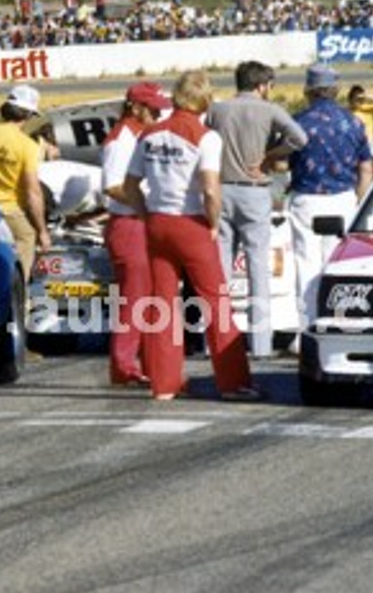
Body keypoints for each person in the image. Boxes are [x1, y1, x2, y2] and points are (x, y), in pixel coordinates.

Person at [120, 71, 257, 402]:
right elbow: (210, 188)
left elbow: (129, 184)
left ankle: (164, 383)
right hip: (191, 221)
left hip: (157, 220)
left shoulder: (150, 134)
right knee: (216, 303)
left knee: (161, 305)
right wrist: (213, 222)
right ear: (206, 100)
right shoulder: (205, 136)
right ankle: (232, 382)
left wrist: (143, 213)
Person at [206, 60, 308, 358]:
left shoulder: (217, 110)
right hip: (254, 191)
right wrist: (269, 154)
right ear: (262, 85)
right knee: (257, 270)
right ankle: (260, 345)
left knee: (221, 271)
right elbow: (300, 138)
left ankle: (219, 342)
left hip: (222, 188)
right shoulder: (269, 110)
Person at [288, 64, 373, 328]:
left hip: (307, 197)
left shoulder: (298, 122)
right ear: (336, 91)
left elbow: (285, 162)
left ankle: (308, 328)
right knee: (336, 264)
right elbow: (365, 167)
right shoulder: (353, 122)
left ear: (308, 91)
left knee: (306, 265)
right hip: (343, 199)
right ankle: (338, 323)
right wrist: (360, 200)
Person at [100, 81, 171, 386]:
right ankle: (125, 365)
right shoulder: (123, 138)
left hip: (137, 221)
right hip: (129, 223)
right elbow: (113, 185)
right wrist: (147, 207)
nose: (156, 114)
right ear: (135, 107)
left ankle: (136, 362)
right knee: (135, 300)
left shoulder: (139, 133)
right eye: (152, 109)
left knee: (147, 298)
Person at [0, 86, 51, 280]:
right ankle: (18, 293)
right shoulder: (27, 146)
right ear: (29, 114)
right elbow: (33, 192)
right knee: (26, 238)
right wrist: (42, 230)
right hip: (12, 211)